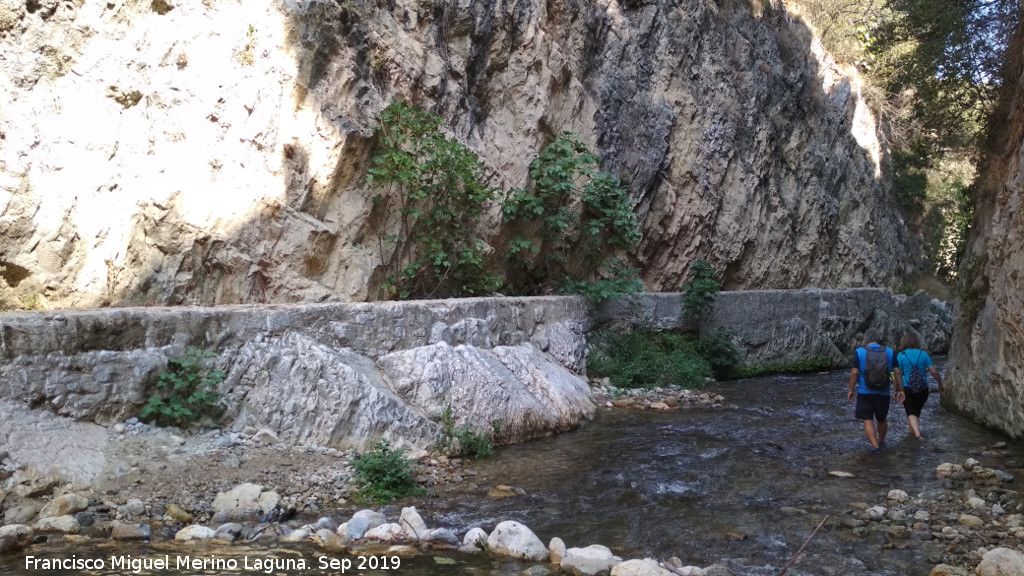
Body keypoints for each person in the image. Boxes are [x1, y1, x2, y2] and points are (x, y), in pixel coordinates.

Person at [848, 332, 904, 451]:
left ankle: (875, 446)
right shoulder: (890, 351)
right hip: (883, 393)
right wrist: (897, 388)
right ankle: (881, 441)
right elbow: (894, 372)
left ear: (866, 340)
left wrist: (851, 389)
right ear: (879, 340)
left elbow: (854, 373)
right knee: (882, 419)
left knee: (868, 419)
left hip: (865, 392)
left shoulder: (859, 352)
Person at [894, 332, 943, 439]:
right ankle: (911, 434)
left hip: (907, 388)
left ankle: (917, 435)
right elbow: (934, 372)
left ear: (904, 342)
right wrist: (940, 384)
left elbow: (894, 373)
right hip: (923, 389)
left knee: (910, 412)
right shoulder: (923, 354)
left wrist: (896, 388)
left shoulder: (901, 355)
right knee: (915, 412)